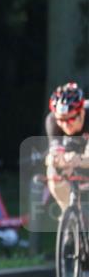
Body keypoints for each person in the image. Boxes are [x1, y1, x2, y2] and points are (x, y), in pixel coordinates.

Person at [44, 81, 89, 212]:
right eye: (61, 120)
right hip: (75, 149)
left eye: (70, 119)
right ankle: (70, 216)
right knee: (53, 170)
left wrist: (79, 160)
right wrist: (54, 159)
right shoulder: (52, 121)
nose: (64, 125)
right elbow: (54, 155)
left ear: (81, 113)